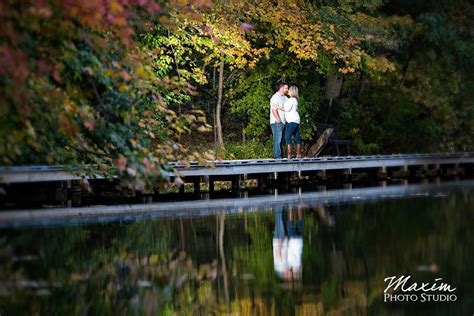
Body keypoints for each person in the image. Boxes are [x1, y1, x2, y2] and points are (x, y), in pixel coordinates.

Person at [270, 83, 288, 159]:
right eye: (286, 88)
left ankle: (282, 156)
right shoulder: (275, 97)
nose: (287, 90)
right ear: (281, 88)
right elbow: (274, 109)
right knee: (277, 140)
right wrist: (279, 120)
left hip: (284, 122)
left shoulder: (285, 98)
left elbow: (288, 108)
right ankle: (277, 157)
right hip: (277, 122)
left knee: (281, 140)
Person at [283, 86, 301, 159]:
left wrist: (278, 107)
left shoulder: (291, 99)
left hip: (292, 120)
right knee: (297, 137)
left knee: (287, 137)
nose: (288, 91)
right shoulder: (295, 99)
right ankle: (298, 154)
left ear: (291, 91)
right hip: (296, 120)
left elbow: (286, 109)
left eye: (289, 90)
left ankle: (289, 155)